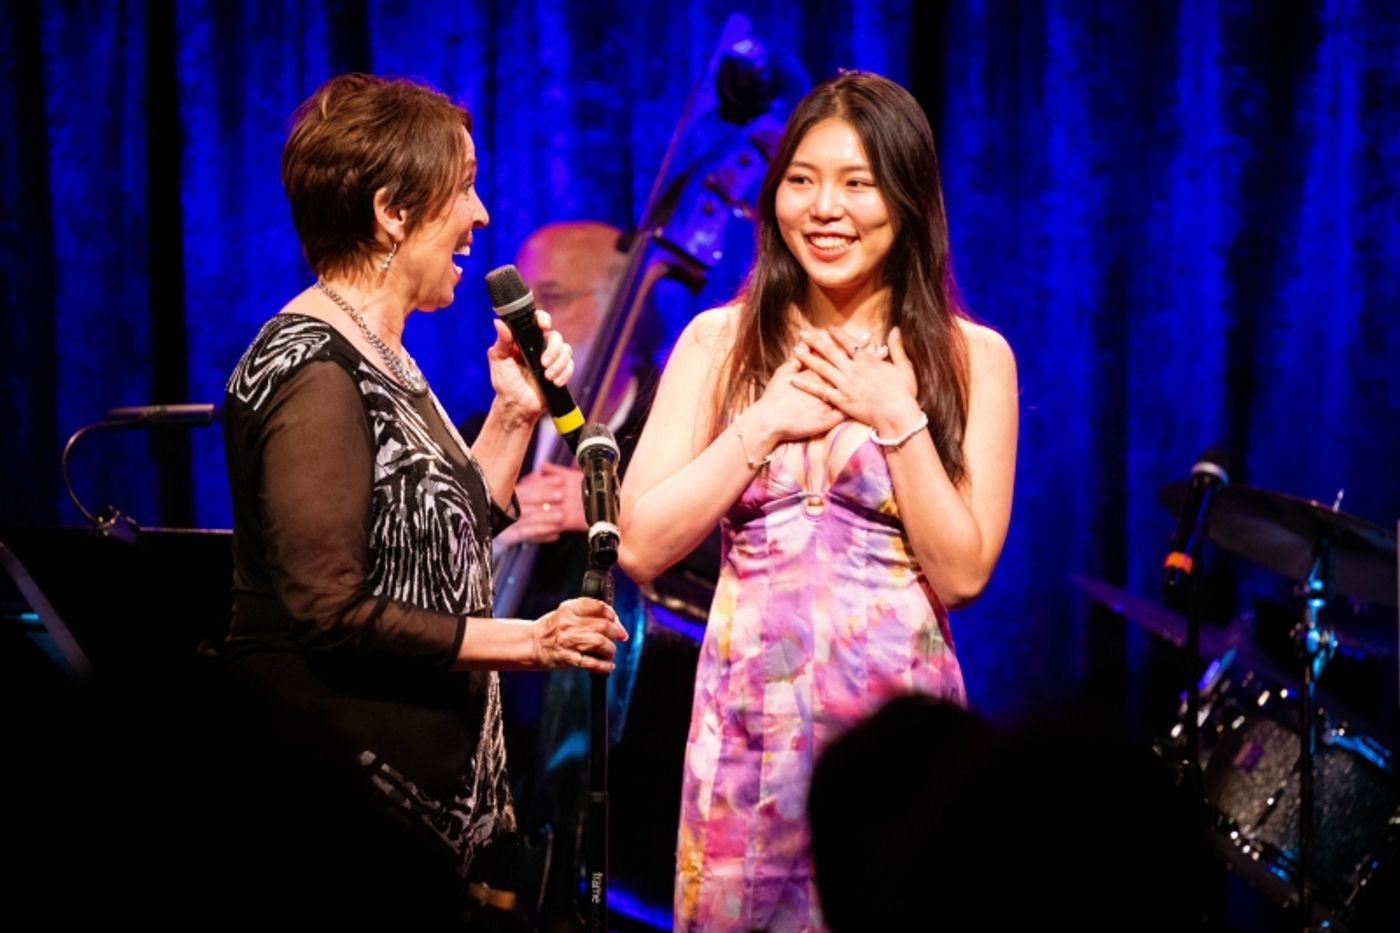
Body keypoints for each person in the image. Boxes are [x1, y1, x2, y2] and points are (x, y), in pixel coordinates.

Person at [217, 73, 627, 924]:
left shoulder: (382, 356)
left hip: (417, 816)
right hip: (345, 808)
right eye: (464, 185)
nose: (481, 214)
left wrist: (515, 413)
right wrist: (530, 638)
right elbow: (329, 609)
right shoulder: (312, 364)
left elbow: (439, 546)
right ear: (392, 212)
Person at [617, 70, 1020, 931]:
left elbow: (962, 572)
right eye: (802, 180)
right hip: (745, 740)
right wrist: (760, 425)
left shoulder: (972, 357)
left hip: (895, 748)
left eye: (857, 182)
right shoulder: (718, 342)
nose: (824, 208)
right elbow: (640, 543)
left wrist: (897, 418)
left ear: (907, 198)